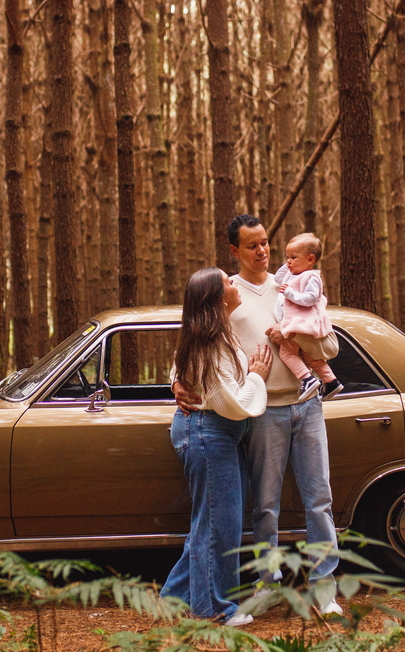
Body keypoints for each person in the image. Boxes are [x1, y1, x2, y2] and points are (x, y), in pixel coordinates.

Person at [173, 215, 343, 616]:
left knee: (320, 500)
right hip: (264, 412)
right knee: (265, 507)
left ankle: (324, 590)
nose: (262, 251)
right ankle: (268, 586)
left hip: (309, 404)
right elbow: (193, 343)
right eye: (252, 245)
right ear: (234, 251)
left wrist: (302, 338)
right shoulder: (226, 294)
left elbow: (331, 345)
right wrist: (175, 382)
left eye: (266, 242)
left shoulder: (295, 282)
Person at [161, 267, 273, 626]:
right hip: (209, 433)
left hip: (213, 433)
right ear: (217, 297)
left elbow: (184, 369)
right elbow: (234, 403)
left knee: (209, 525)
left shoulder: (211, 334)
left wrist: (176, 380)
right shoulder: (210, 341)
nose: (235, 283)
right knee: (218, 528)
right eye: (228, 281)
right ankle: (214, 610)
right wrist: (258, 375)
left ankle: (173, 600)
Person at [273, 232, 343, 403]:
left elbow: (310, 299)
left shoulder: (312, 277)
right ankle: (331, 381)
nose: (288, 261)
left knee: (286, 353)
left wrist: (290, 293)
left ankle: (307, 378)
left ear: (311, 259)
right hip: (298, 325)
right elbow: (277, 277)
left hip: (300, 325)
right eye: (287, 257)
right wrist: (292, 261)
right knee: (311, 356)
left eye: (293, 257)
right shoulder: (293, 274)